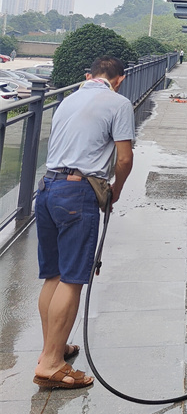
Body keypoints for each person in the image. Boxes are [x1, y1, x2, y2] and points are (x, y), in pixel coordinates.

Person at [33, 55, 135, 390]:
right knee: (74, 278)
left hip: (47, 189)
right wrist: (115, 191)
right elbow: (124, 158)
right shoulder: (118, 103)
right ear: (119, 79)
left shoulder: (67, 99)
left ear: (89, 75)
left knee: (55, 274)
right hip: (77, 194)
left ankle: (55, 347)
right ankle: (51, 363)